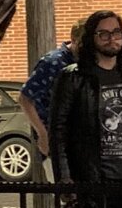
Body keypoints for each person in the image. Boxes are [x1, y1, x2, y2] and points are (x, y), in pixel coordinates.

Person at [50, 11, 122, 208]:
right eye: (104, 34)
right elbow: (58, 130)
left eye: (117, 33)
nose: (112, 39)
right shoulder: (73, 77)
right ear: (92, 38)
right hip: (92, 179)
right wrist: (65, 178)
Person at [20, 18, 85, 164]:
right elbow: (25, 98)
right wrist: (43, 134)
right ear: (74, 39)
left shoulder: (88, 62)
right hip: (57, 139)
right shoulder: (52, 62)